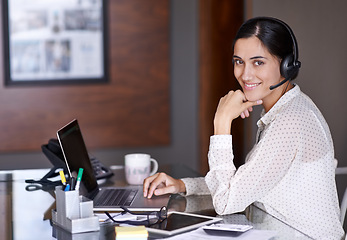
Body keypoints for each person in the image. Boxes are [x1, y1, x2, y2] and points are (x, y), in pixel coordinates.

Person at [143, 17, 345, 239]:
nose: (245, 75)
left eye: (258, 62)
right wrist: (183, 185)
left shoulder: (291, 122)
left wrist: (221, 123)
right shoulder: (287, 109)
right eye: (239, 61)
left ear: (287, 65)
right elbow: (244, 186)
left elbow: (226, 202)